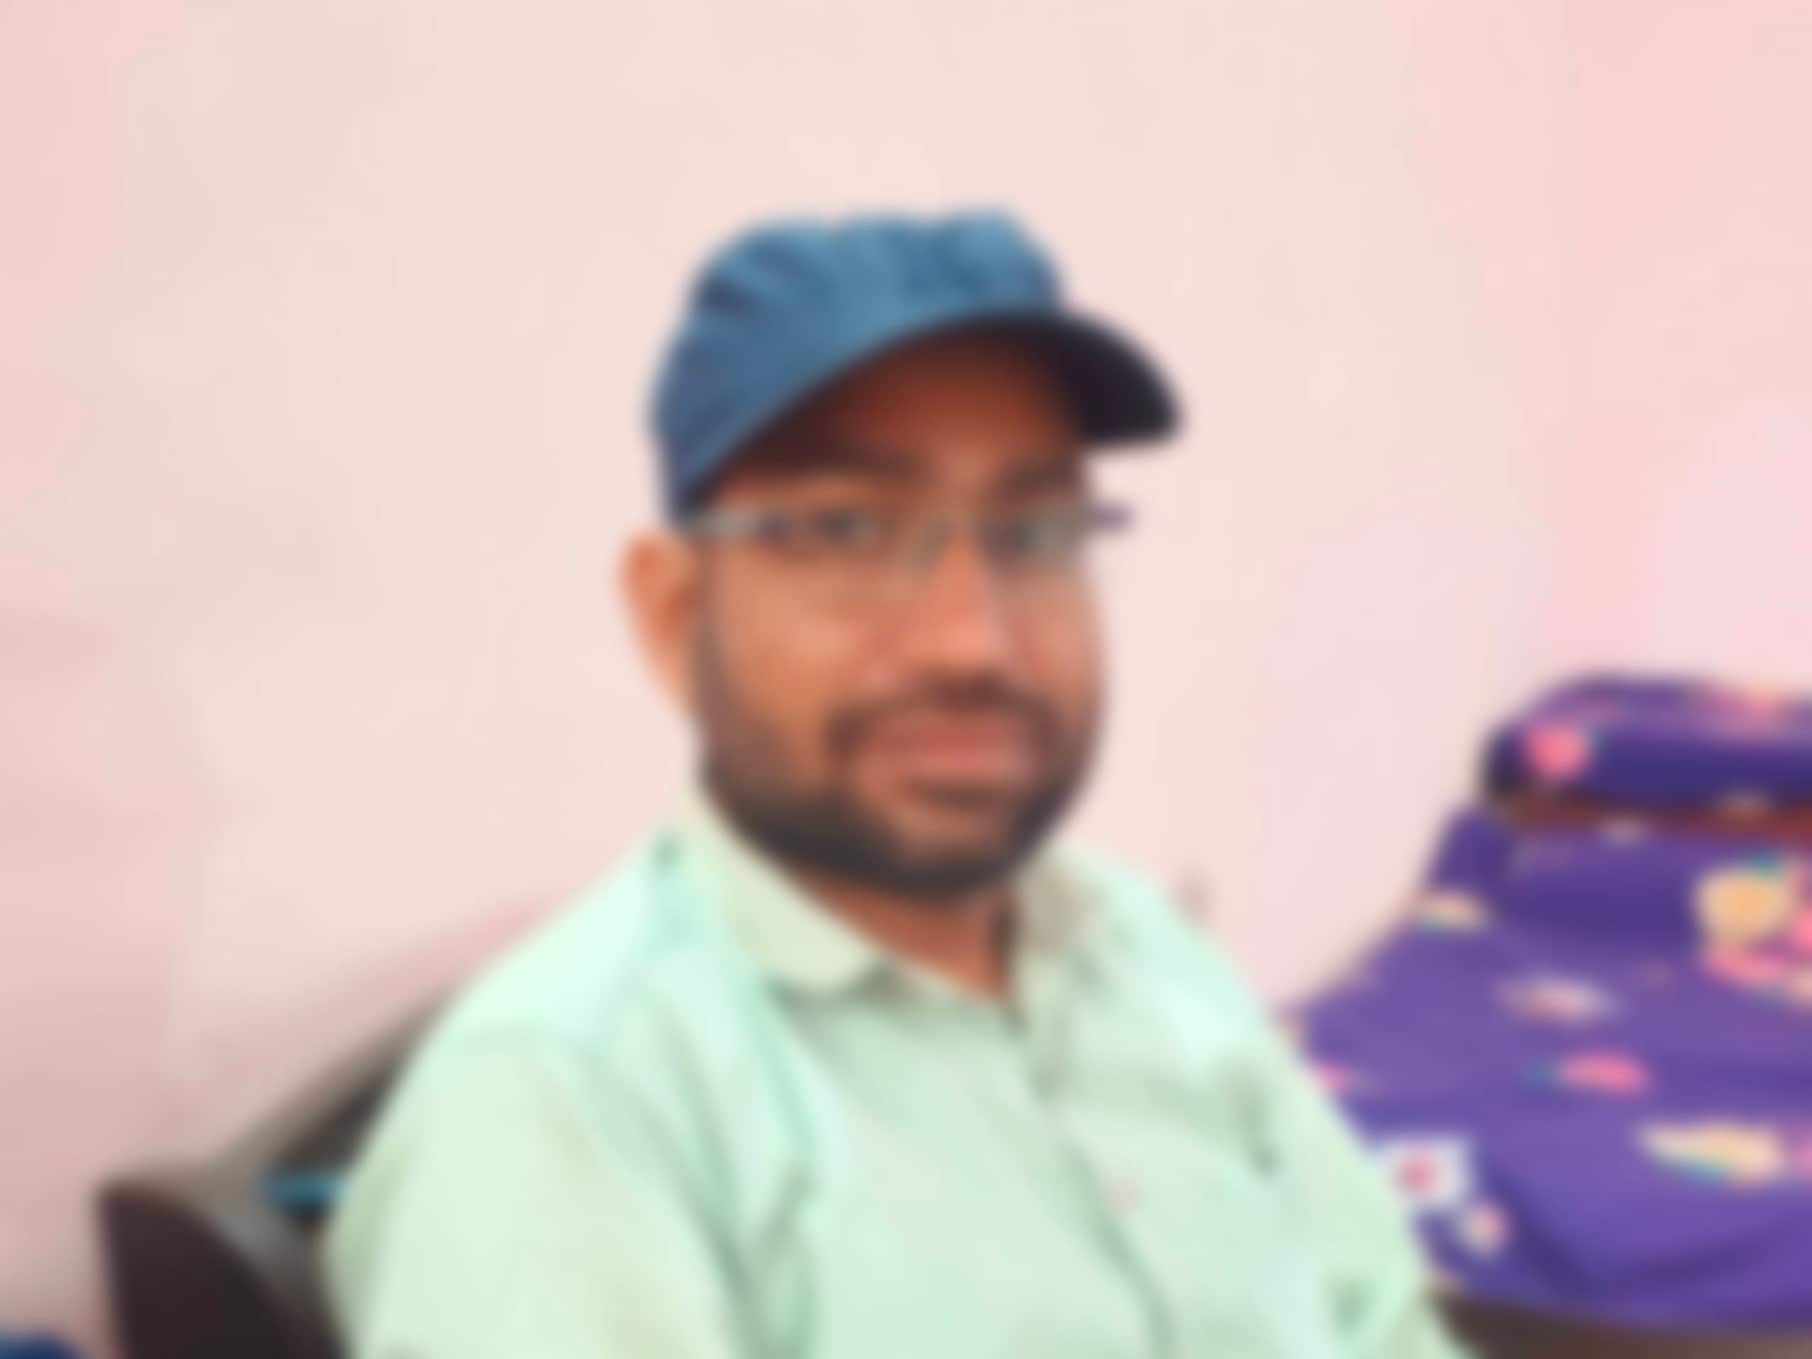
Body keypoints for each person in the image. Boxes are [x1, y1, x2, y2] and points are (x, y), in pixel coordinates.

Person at [326, 210, 1464, 1358]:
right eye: (845, 530)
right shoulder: (572, 1111)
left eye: (1034, 533)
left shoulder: (1140, 949)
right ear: (676, 615)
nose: (971, 641)